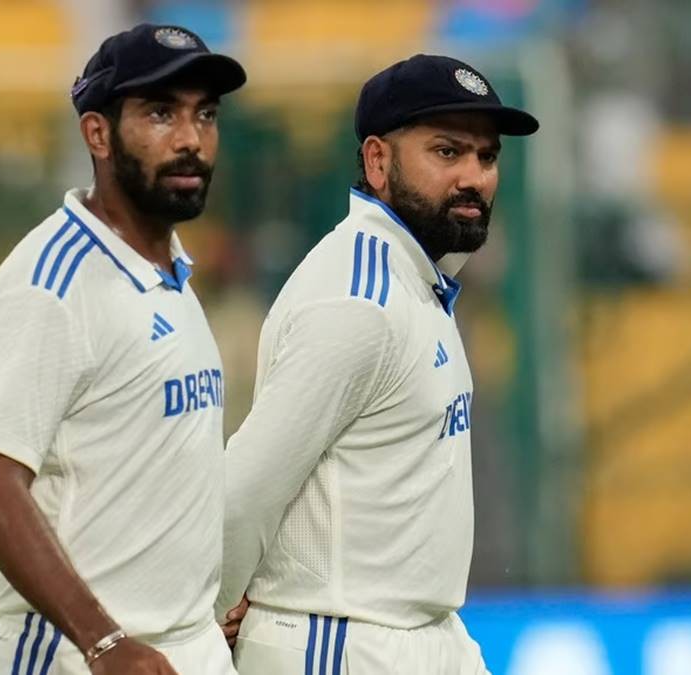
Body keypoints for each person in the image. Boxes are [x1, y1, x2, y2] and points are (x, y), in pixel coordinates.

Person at [217, 55, 538, 674]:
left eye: (486, 156)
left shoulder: (416, 280)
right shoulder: (359, 299)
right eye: (447, 152)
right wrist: (208, 621)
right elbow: (244, 491)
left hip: (421, 633)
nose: (474, 177)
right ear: (377, 161)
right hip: (342, 641)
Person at [0, 23, 245, 675]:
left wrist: (205, 606)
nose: (191, 139)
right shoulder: (52, 283)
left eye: (205, 115)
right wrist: (104, 640)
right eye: (161, 113)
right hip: (72, 653)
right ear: (97, 134)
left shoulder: (170, 271)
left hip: (177, 645)